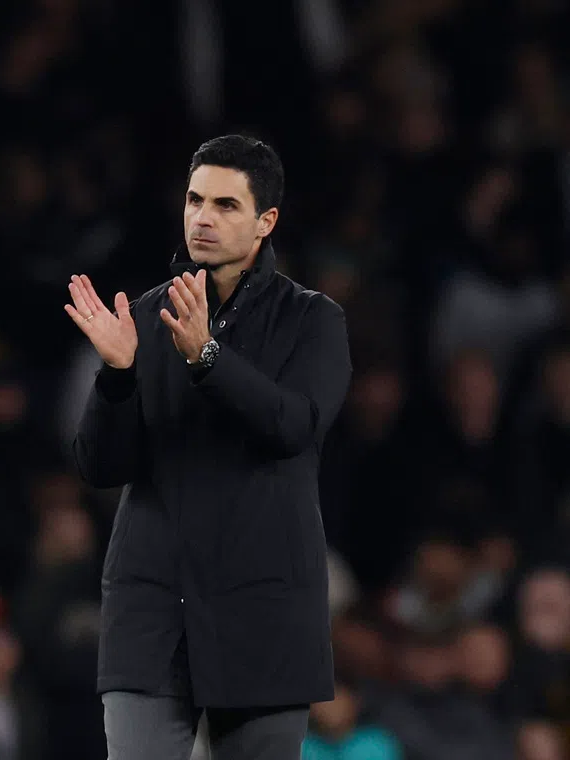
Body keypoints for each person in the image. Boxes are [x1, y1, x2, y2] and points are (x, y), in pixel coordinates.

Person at [65, 135, 352, 759]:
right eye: (195, 200)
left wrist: (208, 357)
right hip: (152, 608)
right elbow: (100, 466)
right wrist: (116, 377)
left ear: (265, 221)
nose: (202, 217)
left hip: (263, 610)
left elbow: (294, 428)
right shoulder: (144, 318)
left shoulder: (313, 320)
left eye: (225, 205)